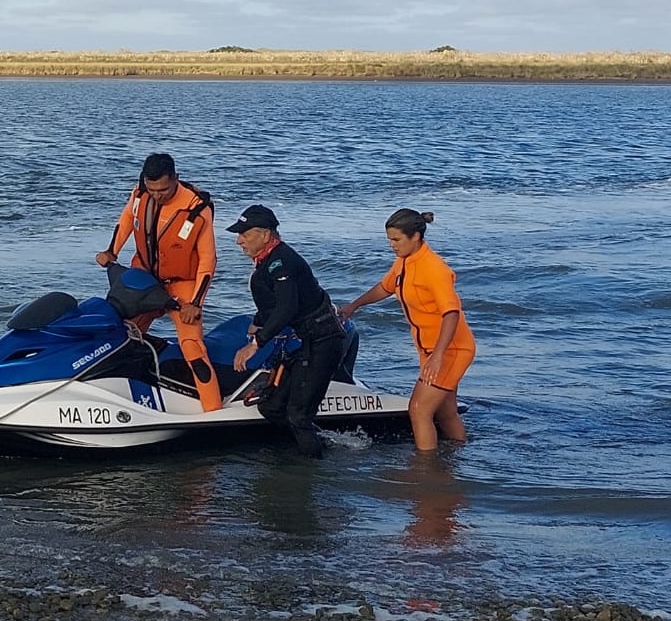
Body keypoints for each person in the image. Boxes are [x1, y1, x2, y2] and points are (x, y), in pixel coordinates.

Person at [338, 209, 475, 452]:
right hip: (431, 350)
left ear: (416, 236)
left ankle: (425, 471)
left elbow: (451, 313)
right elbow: (385, 287)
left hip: (449, 350)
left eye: (396, 240)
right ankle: (460, 454)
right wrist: (354, 305)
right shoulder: (404, 262)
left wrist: (438, 356)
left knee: (419, 410)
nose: (392, 245)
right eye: (389, 239)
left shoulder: (434, 269)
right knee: (445, 412)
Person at [95, 153, 223, 412]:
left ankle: (214, 411)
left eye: (163, 190)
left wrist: (195, 303)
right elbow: (126, 222)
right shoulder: (141, 193)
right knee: (122, 334)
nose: (157, 195)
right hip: (146, 279)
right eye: (152, 189)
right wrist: (111, 252)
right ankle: (121, 394)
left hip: (183, 285)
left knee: (193, 349)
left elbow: (208, 259)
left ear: (175, 179)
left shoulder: (197, 207)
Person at [228, 205, 346, 458]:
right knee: (272, 407)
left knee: (298, 415)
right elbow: (274, 302)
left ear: (265, 234)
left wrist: (256, 343)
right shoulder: (267, 261)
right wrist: (258, 321)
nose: (239, 241)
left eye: (244, 234)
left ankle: (311, 474)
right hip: (303, 342)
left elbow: (287, 307)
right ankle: (318, 446)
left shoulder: (282, 263)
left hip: (322, 341)